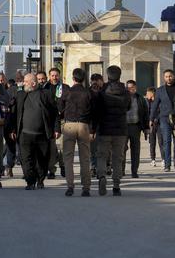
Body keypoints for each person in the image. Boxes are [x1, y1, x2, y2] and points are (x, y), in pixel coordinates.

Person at [10, 72, 58, 190]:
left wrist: (56, 128)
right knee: (26, 159)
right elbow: (13, 113)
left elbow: (54, 113)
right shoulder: (20, 95)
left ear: (33, 83)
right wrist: (12, 129)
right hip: (24, 134)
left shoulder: (45, 94)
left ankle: (40, 180)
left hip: (42, 134)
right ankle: (30, 181)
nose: (23, 84)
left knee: (42, 159)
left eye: (26, 82)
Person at [94, 65, 130, 196]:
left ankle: (102, 176)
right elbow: (128, 107)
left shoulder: (102, 90)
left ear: (107, 76)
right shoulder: (125, 92)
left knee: (102, 155)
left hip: (104, 128)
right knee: (118, 157)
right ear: (120, 76)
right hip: (120, 129)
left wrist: (94, 128)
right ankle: (116, 185)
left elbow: (97, 109)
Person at [58, 67, 94, 197]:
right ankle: (86, 188)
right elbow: (92, 111)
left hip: (69, 125)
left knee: (68, 158)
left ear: (73, 78)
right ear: (84, 79)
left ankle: (70, 187)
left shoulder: (67, 92)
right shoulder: (88, 93)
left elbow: (60, 107)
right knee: (85, 158)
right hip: (84, 125)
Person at [150, 69, 175, 171]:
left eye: (170, 76)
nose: (169, 78)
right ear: (164, 78)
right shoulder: (160, 90)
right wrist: (151, 118)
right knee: (166, 141)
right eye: (167, 76)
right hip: (164, 118)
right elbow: (154, 105)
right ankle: (167, 165)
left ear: (174, 76)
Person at [42, 67, 67, 179]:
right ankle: (51, 169)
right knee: (51, 147)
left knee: (63, 146)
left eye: (56, 75)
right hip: (50, 122)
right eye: (52, 75)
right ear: (49, 76)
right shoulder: (45, 88)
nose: (54, 77)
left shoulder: (65, 88)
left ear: (59, 75)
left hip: (63, 120)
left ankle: (63, 166)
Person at [124, 80, 149, 178]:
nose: (130, 90)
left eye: (132, 88)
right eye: (128, 88)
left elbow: (146, 113)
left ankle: (134, 171)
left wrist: (146, 127)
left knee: (135, 150)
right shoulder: (122, 98)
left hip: (135, 126)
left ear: (136, 88)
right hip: (124, 127)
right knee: (122, 149)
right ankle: (121, 170)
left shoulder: (140, 99)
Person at [144, 87, 163, 164]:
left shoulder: (159, 102)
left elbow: (161, 112)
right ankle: (153, 159)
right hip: (151, 125)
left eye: (147, 93)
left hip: (159, 123)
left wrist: (156, 119)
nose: (146, 95)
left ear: (152, 93)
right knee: (152, 142)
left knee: (161, 142)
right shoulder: (146, 102)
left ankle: (163, 159)